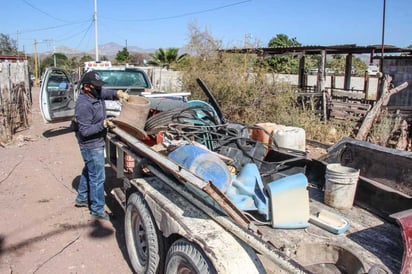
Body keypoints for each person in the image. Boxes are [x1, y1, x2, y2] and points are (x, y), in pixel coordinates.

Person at [74, 70, 129, 220]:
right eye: (96, 86)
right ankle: (98, 210)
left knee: (89, 170)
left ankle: (81, 199)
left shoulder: (95, 93)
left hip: (96, 142)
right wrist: (102, 124)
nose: (99, 89)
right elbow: (84, 131)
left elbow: (106, 93)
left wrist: (118, 94)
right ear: (86, 87)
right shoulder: (83, 105)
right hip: (91, 145)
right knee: (98, 178)